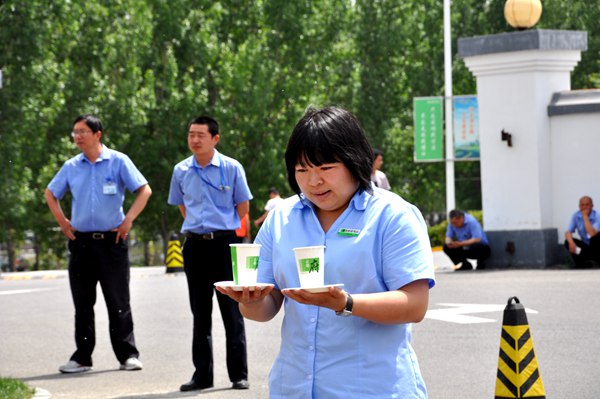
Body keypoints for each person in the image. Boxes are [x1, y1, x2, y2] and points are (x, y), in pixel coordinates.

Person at [216, 106, 435, 398]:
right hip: (293, 387)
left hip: (372, 388)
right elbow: (267, 306)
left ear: (354, 160)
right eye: (302, 170)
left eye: (326, 169)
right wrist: (248, 300)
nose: (313, 181)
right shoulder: (281, 219)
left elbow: (414, 304)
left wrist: (344, 303)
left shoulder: (392, 216)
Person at [44, 114, 152, 373]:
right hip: (81, 244)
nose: (77, 136)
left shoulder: (118, 161)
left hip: (112, 242)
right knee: (83, 304)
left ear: (97, 134)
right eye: (75, 132)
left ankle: (127, 355)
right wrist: (63, 221)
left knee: (118, 302)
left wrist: (128, 220)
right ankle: (82, 358)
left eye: (82, 131)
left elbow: (144, 190)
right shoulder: (71, 166)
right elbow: (51, 193)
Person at [168, 115, 253, 392]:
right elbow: (182, 206)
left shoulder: (231, 168)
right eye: (191, 134)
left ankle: (238, 374)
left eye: (200, 135)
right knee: (200, 313)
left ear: (215, 138)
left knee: (232, 311)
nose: (194, 139)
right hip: (194, 246)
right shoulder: (181, 170)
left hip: (224, 245)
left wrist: (220, 228)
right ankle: (202, 375)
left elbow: (242, 208)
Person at [564, 195, 600, 267]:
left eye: (587, 205)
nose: (584, 207)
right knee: (567, 242)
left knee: (595, 238)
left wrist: (585, 217)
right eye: (582, 205)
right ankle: (582, 264)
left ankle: (597, 262)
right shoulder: (576, 215)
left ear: (592, 206)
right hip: (586, 249)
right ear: (579, 206)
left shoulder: (597, 215)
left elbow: (592, 233)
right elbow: (568, 232)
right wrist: (571, 243)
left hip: (597, 248)